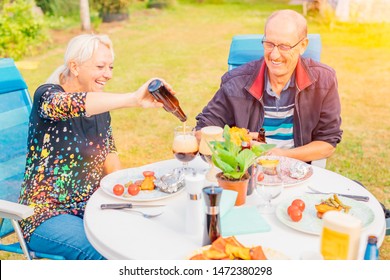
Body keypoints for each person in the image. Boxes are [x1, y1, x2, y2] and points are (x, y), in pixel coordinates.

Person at [18, 34, 172, 260]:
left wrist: (130, 194)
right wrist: (134, 99)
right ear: (74, 66)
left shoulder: (99, 106)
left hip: (93, 207)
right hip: (45, 214)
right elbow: (74, 104)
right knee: (105, 254)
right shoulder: (48, 97)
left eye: (110, 67)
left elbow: (109, 155)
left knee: (147, 235)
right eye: (100, 66)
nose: (108, 74)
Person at [195, 9, 342, 163]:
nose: (274, 55)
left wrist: (280, 155)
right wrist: (238, 140)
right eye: (269, 44)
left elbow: (328, 142)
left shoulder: (324, 80)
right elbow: (202, 130)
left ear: (303, 45)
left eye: (284, 46)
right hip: (247, 171)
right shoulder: (235, 82)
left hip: (297, 168)